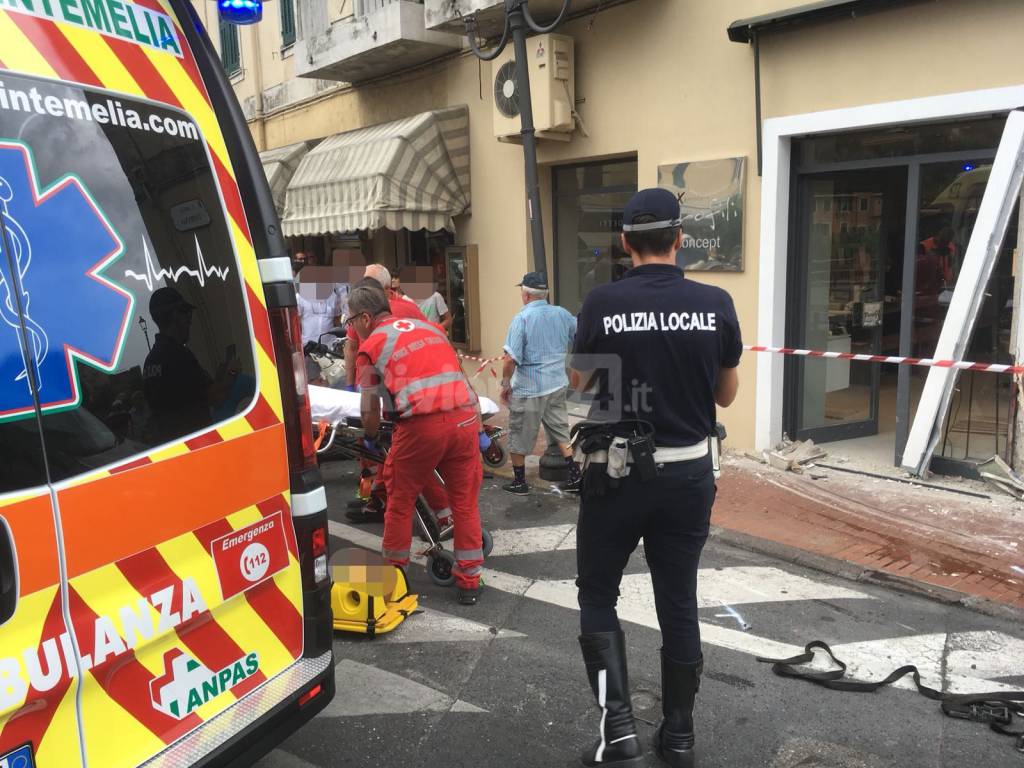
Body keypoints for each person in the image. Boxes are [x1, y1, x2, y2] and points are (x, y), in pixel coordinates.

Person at [569, 188, 741, 768]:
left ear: (625, 243)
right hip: (688, 474)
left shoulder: (601, 303)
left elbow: (581, 382)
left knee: (597, 593)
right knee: (679, 602)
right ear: (679, 239)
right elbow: (725, 393)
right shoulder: (714, 301)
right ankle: (680, 736)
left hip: (614, 475)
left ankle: (618, 732)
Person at [349, 281, 485, 605]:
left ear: (365, 318)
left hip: (423, 426)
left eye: (351, 321)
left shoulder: (371, 347)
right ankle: (470, 579)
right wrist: (477, 423)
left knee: (400, 499)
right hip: (464, 418)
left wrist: (370, 439)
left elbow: (368, 408)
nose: (351, 329)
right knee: (464, 502)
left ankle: (394, 577)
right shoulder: (431, 329)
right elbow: (460, 377)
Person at [500, 272, 579, 495]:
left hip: (529, 387)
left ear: (525, 295)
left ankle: (519, 482)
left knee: (520, 434)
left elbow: (509, 359)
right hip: (556, 383)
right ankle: (574, 476)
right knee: (561, 430)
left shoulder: (521, 319)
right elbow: (580, 333)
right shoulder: (562, 314)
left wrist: (506, 384)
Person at [143, 286, 242, 443]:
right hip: (198, 442)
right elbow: (212, 397)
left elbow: (184, 397)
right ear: (175, 315)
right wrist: (232, 373)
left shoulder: (151, 361)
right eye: (186, 312)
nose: (190, 319)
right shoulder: (178, 355)